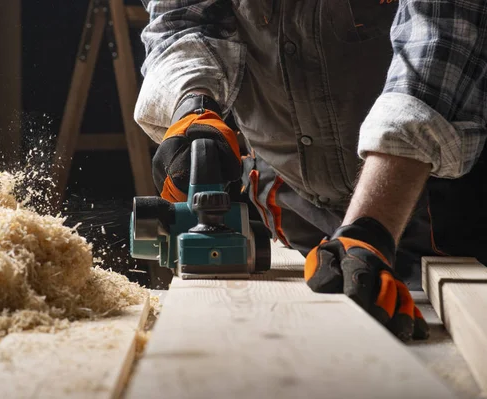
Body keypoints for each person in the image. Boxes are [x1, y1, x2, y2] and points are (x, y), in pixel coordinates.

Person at [133, 0, 487, 341]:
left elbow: (439, 42)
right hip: (289, 199)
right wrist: (194, 104)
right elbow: (181, 17)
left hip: (427, 194)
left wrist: (370, 229)